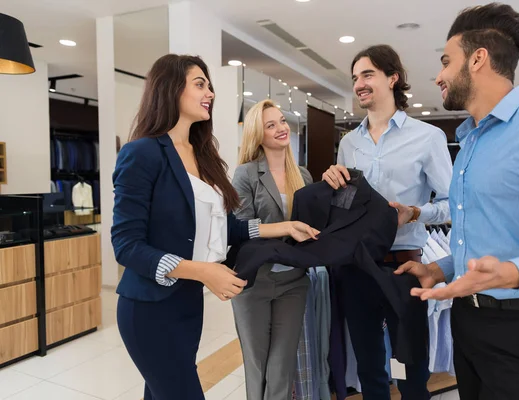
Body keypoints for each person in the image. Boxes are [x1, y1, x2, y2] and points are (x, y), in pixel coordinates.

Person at [396, 3, 519, 399]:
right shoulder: (471, 141)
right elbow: (490, 236)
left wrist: (514, 273)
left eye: (445, 61)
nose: (438, 76)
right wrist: (440, 270)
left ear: (478, 59)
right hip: (470, 321)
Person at [111, 54, 319, 400]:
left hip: (188, 304)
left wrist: (285, 227)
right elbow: (126, 244)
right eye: (200, 84)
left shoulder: (201, 153)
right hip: (148, 309)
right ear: (170, 88)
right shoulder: (142, 153)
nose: (210, 92)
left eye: (209, 85)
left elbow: (228, 229)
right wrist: (205, 272)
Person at [322, 44, 452, 400]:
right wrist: (332, 186)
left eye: (367, 74)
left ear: (393, 78)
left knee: (412, 369)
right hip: (357, 268)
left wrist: (415, 212)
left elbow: (453, 205)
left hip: (404, 266)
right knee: (368, 367)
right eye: (354, 78)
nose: (359, 84)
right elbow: (345, 205)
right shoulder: (349, 143)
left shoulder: (428, 138)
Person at [230, 99, 312, 400]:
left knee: (282, 364)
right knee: (257, 364)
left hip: (294, 281)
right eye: (271, 124)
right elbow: (239, 229)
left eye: (281, 121)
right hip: (254, 282)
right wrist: (285, 228)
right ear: (258, 134)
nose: (281, 128)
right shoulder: (246, 174)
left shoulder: (303, 176)